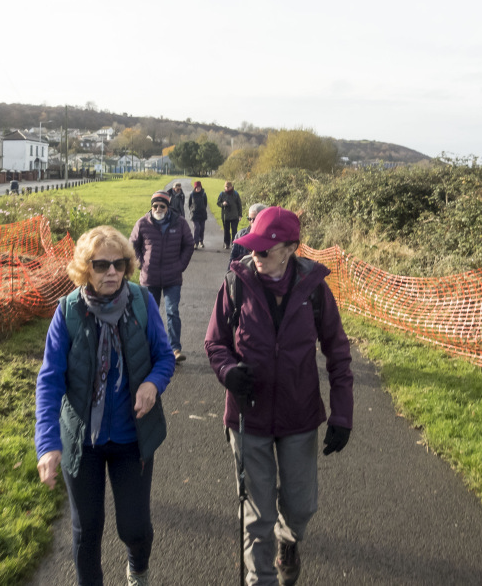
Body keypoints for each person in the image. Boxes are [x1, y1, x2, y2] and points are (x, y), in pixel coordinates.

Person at [205, 207, 354, 586]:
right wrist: (228, 372)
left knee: (300, 506)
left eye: (265, 249)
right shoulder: (236, 284)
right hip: (248, 417)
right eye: (253, 247)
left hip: (299, 415)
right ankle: (263, 579)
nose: (255, 254)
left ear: (290, 249)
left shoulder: (315, 291)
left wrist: (342, 415)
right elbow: (215, 342)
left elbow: (337, 351)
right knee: (258, 516)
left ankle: (290, 541)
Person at [35, 225, 175, 586]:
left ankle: (138, 568)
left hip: (133, 437)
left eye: (118, 264)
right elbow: (49, 381)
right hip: (82, 441)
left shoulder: (142, 302)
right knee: (87, 531)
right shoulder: (67, 312)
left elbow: (164, 357)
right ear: (86, 269)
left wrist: (151, 384)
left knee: (136, 527)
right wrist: (48, 445)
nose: (111, 272)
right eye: (101, 265)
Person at [130, 191, 194, 363]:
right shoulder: (143, 223)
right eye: (155, 206)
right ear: (151, 207)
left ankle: (175, 348)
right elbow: (132, 245)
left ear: (168, 207)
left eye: (162, 206)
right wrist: (140, 264)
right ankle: (151, 347)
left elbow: (189, 244)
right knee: (150, 313)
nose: (158, 209)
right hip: (149, 277)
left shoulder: (179, 223)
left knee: (172, 311)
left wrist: (180, 266)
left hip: (172, 277)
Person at [217, 180, 242, 249]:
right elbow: (218, 203)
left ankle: (234, 244)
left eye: (228, 187)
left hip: (234, 216)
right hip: (225, 216)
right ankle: (227, 244)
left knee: (234, 230)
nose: (227, 188)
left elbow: (239, 205)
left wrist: (240, 215)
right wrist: (223, 204)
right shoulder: (222, 194)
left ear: (231, 187)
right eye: (226, 187)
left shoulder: (236, 194)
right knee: (226, 231)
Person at [188, 180, 208, 249]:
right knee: (197, 228)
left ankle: (201, 241)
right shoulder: (192, 194)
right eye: (197, 187)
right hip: (194, 214)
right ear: (195, 188)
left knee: (202, 228)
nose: (198, 189)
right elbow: (189, 204)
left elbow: (205, 203)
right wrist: (192, 210)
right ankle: (195, 243)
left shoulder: (203, 194)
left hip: (202, 214)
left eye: (199, 187)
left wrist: (202, 209)